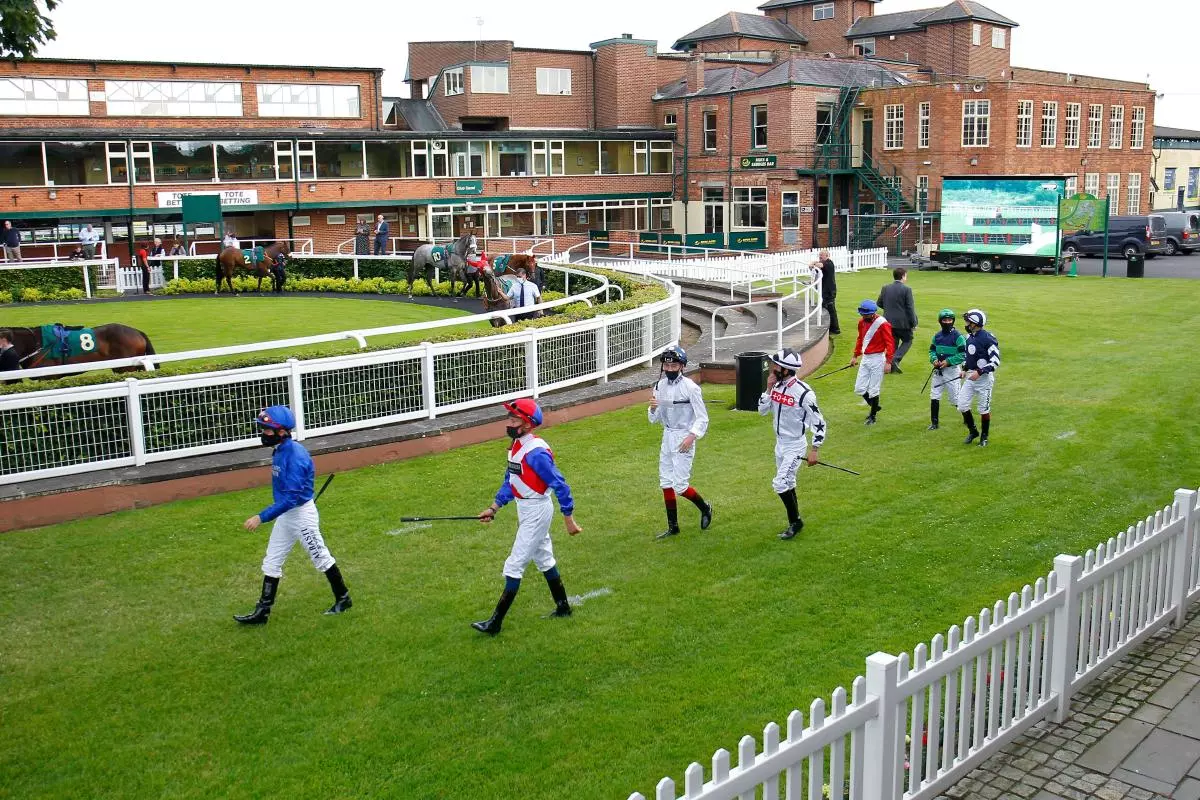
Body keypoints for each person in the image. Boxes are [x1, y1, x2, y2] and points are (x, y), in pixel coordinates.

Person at [473, 398, 582, 636]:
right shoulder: (515, 447)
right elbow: (511, 481)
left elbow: (560, 484)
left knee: (515, 564)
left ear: (528, 425)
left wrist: (568, 518)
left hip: (536, 511)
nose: (509, 424)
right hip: (526, 508)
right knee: (544, 558)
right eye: (509, 419)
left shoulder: (536, 453)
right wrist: (494, 507)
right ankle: (563, 608)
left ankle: (495, 623)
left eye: (514, 420)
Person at [234, 405, 352, 624]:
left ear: (281, 431)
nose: (263, 434)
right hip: (287, 515)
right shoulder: (281, 449)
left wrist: (260, 517)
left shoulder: (295, 456)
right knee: (272, 561)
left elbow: (290, 499)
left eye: (267, 430)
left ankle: (343, 598)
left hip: (301, 516)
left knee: (320, 557)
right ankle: (262, 612)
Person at [757, 348, 825, 540]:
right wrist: (768, 389)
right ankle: (796, 521)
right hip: (779, 444)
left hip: (795, 446)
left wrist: (815, 449)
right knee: (788, 482)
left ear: (786, 370)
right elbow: (762, 410)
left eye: (776, 365)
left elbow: (819, 422)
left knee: (779, 483)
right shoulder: (776, 386)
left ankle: (795, 522)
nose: (772, 368)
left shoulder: (804, 393)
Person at [648, 346, 713, 540]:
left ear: (682, 366)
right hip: (667, 436)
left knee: (680, 486)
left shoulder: (691, 388)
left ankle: (705, 508)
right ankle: (673, 527)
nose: (669, 368)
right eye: (666, 365)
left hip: (684, 436)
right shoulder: (659, 386)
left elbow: (703, 418)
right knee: (665, 482)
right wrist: (652, 409)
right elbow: (654, 419)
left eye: (673, 365)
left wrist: (691, 437)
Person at [957, 308, 1000, 447]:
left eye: (968, 321)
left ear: (975, 323)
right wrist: (964, 370)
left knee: (983, 409)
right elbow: (968, 357)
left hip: (984, 380)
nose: (966, 324)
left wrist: (980, 372)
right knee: (962, 405)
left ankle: (984, 437)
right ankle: (973, 431)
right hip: (970, 378)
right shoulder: (968, 338)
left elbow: (995, 361)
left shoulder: (988, 339)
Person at [850, 299, 894, 425]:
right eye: (862, 314)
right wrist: (855, 356)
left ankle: (872, 416)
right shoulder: (861, 322)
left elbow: (890, 343)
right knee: (859, 388)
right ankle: (875, 405)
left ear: (873, 313)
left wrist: (888, 362)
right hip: (865, 358)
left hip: (878, 359)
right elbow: (860, 339)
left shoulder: (883, 324)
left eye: (866, 314)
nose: (863, 316)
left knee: (874, 389)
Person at [927, 308, 966, 430]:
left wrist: (948, 361)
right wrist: (934, 360)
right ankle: (934, 423)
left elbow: (963, 354)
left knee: (955, 398)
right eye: (945, 320)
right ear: (940, 321)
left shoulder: (958, 337)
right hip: (938, 371)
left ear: (953, 321)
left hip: (952, 371)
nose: (947, 322)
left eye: (950, 320)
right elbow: (932, 351)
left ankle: (967, 419)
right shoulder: (937, 336)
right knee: (934, 395)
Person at [877, 266, 917, 373]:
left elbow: (879, 303)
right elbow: (910, 308)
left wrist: (889, 310)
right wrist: (914, 323)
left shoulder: (885, 288)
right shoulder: (907, 289)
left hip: (888, 321)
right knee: (908, 340)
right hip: (903, 323)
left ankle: (891, 365)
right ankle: (895, 359)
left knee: (893, 343)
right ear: (903, 276)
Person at [811, 249, 839, 335]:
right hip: (824, 290)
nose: (820, 256)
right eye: (819, 255)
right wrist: (813, 264)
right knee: (825, 308)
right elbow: (812, 267)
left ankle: (835, 329)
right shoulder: (823, 264)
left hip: (829, 291)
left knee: (830, 309)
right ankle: (831, 328)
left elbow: (819, 265)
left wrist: (814, 263)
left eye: (821, 255)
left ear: (827, 256)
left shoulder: (829, 263)